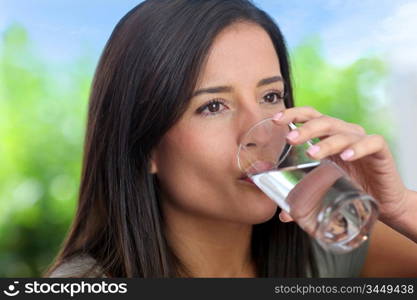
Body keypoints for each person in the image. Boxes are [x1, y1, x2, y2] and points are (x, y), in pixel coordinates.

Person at [44, 0, 417, 278]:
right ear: (145, 148)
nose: (261, 132)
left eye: (270, 97)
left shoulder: (325, 248)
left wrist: (399, 208)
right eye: (213, 106)